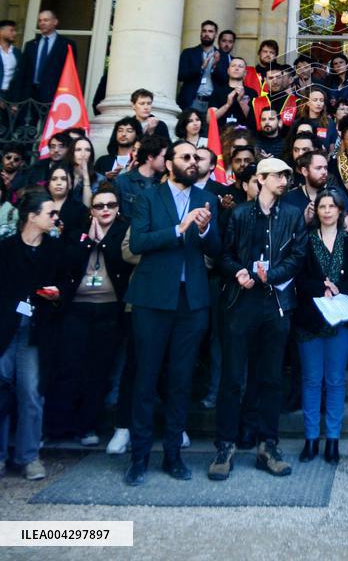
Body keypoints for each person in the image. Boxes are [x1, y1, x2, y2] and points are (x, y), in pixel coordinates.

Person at [123, 141, 219, 486]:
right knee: (146, 379)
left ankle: (174, 456)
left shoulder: (207, 201)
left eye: (197, 158)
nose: (193, 162)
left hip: (191, 302)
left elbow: (217, 250)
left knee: (181, 381)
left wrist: (205, 230)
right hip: (152, 300)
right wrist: (179, 229)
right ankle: (139, 458)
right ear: (169, 164)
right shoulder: (148, 197)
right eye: (186, 157)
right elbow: (138, 244)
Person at [208, 157, 307, 481]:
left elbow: (297, 257)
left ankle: (268, 445)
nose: (285, 180)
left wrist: (269, 275)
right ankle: (225, 445)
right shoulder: (238, 214)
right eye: (279, 175)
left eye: (287, 176)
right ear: (262, 178)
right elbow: (223, 254)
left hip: (275, 303)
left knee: (271, 378)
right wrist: (239, 272)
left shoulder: (292, 215)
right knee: (233, 377)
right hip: (240, 303)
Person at [44, 187, 132, 445]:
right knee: (68, 367)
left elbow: (121, 259)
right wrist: (87, 242)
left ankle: (87, 426)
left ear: (118, 209)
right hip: (77, 308)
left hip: (109, 308)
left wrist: (101, 242)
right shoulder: (77, 235)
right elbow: (66, 262)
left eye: (111, 205)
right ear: (91, 210)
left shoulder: (123, 233)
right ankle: (56, 427)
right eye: (99, 205)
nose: (105, 210)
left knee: (99, 370)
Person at [0, 191, 66, 481]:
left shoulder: (55, 249)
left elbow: (66, 283)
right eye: (50, 213)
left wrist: (58, 294)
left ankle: (28, 457)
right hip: (4, 331)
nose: (55, 217)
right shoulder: (5, 249)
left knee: (31, 394)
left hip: (36, 333)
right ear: (32, 217)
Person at [295, 190, 348, 464]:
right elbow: (298, 276)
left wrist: (341, 289)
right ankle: (311, 439)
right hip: (310, 320)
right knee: (311, 380)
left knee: (335, 381)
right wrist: (319, 288)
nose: (326, 211)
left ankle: (332, 439)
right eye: (321, 206)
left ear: (340, 211)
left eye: (331, 206)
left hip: (341, 320)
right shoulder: (305, 240)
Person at [19, 10, 77, 104]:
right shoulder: (30, 45)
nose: (42, 23)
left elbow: (70, 72)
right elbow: (23, 72)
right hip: (29, 96)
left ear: (55, 22)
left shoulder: (67, 45)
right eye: (40, 21)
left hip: (54, 96)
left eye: (46, 20)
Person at [176, 19, 230, 112]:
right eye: (204, 31)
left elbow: (225, 80)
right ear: (200, 33)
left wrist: (215, 66)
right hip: (192, 100)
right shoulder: (189, 53)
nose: (206, 34)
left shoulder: (223, 56)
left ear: (216, 34)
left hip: (213, 103)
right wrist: (200, 68)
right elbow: (181, 75)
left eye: (210, 31)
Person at [115, 136, 167, 223]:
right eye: (163, 157)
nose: (166, 161)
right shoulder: (122, 181)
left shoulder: (164, 181)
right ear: (150, 157)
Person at [45, 163, 88, 241]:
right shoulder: (39, 206)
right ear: (48, 184)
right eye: (54, 179)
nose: (58, 183)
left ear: (70, 184)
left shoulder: (80, 209)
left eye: (64, 179)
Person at [0, 19, 22, 102]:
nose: (15, 33)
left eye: (15, 30)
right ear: (1, 32)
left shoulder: (17, 52)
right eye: (11, 30)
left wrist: (15, 101)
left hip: (10, 97)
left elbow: (18, 78)